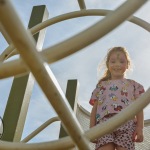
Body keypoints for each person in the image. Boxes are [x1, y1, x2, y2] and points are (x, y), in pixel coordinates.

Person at [89, 47, 145, 150]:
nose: (117, 64)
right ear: (108, 65)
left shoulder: (133, 85)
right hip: (104, 124)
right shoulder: (102, 85)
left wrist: (139, 128)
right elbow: (94, 109)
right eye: (113, 61)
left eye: (121, 61)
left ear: (127, 65)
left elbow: (139, 107)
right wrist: (92, 129)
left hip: (127, 123)